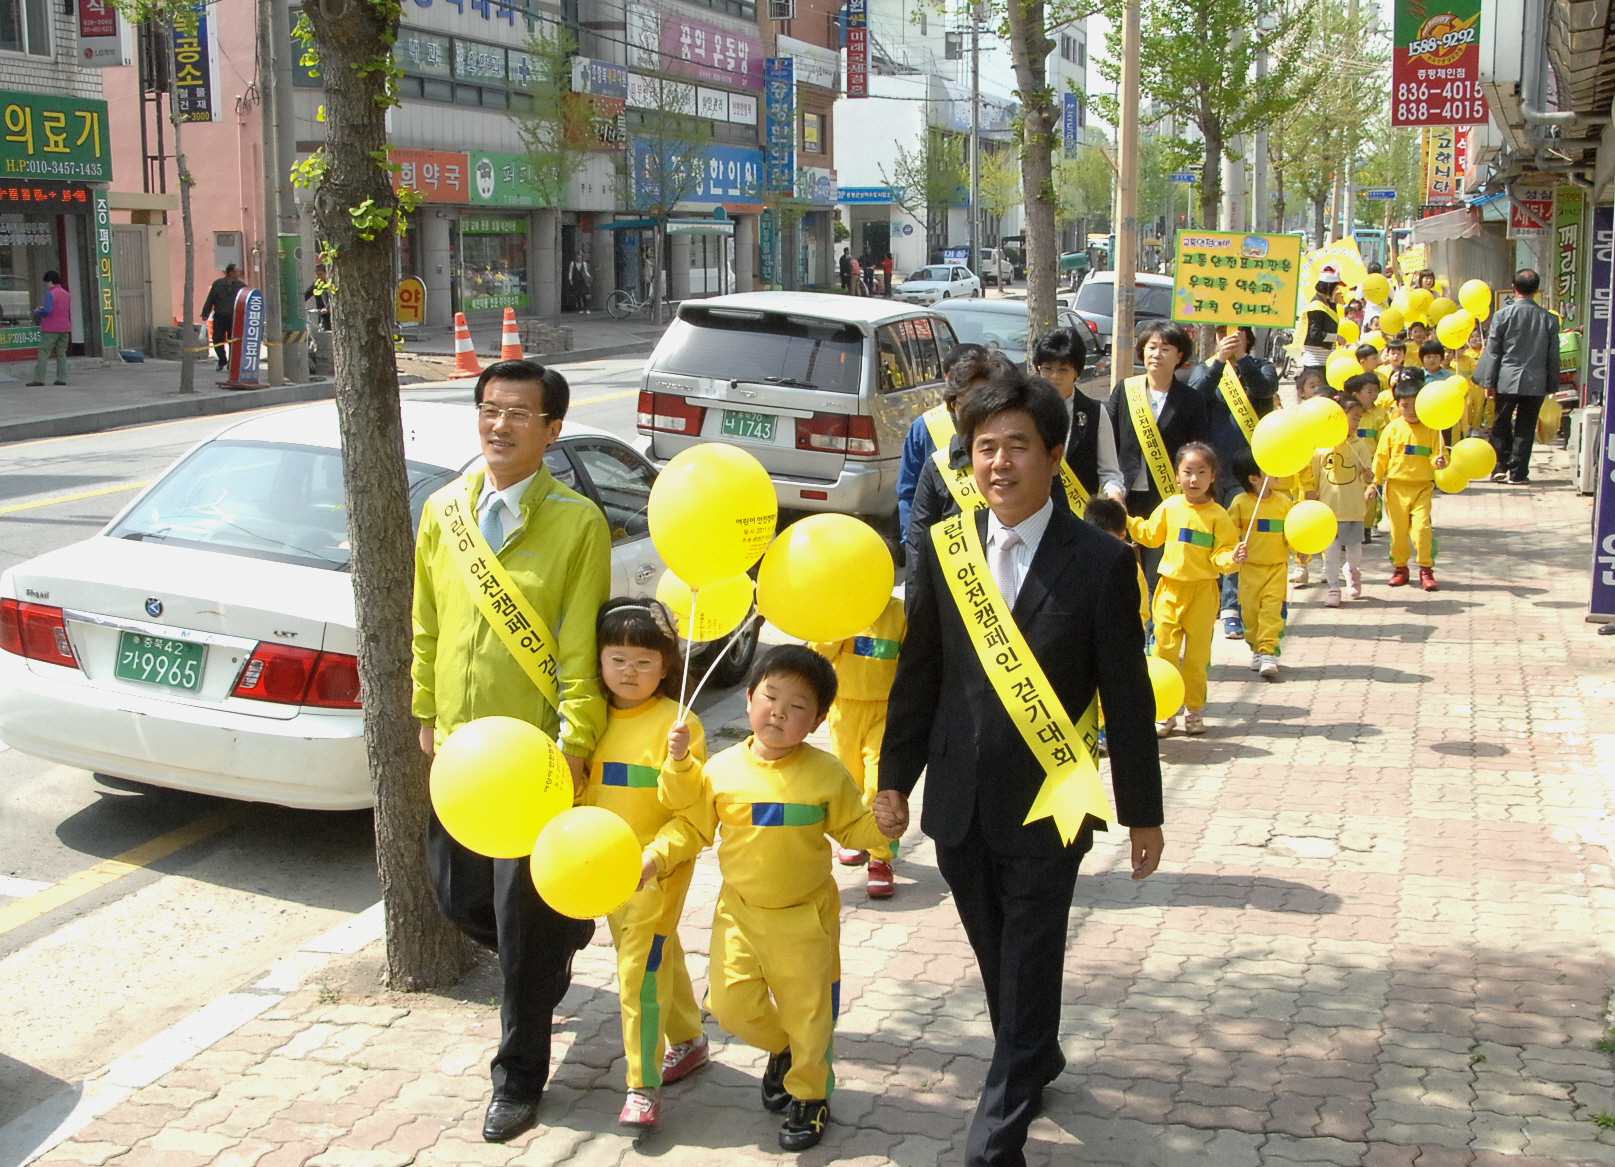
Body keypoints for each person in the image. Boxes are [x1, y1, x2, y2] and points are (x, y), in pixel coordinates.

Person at [877, 373, 1164, 1167]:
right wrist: (892, 776)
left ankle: (995, 1139)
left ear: (1053, 455)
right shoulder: (943, 549)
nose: (997, 463)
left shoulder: (1103, 561)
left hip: (1051, 802)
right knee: (998, 957)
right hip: (959, 802)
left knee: (1030, 960)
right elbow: (920, 670)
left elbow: (1127, 700)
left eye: (1015, 446)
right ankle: (1035, 1054)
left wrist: (1143, 811)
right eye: (983, 448)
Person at [412, 359, 611, 1143]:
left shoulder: (575, 523)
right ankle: (558, 942)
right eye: (490, 410)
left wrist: (576, 742)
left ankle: (518, 1077)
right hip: (460, 761)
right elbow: (426, 618)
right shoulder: (443, 509)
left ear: (551, 430)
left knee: (520, 937)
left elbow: (577, 646)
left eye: (518, 414)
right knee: (459, 901)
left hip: (531, 765)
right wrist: (425, 710)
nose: (499, 425)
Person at [643, 645, 899, 1152]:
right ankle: (784, 1049)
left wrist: (887, 827)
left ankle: (810, 1094)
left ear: (819, 720)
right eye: (770, 696)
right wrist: (653, 857)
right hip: (738, 912)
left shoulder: (826, 774)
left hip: (806, 918)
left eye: (798, 705)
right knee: (730, 1004)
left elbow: (856, 828)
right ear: (748, 699)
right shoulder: (720, 770)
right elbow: (690, 825)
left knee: (810, 1013)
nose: (779, 711)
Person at [583, 599, 709, 1129]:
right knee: (660, 949)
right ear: (599, 661)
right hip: (603, 866)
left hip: (656, 871)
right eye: (618, 659)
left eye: (644, 661)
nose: (630, 672)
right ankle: (689, 1039)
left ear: (667, 664)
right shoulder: (586, 718)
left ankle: (642, 1084)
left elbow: (695, 819)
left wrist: (654, 859)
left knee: (637, 972)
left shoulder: (678, 724)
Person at [1130, 443, 1239, 735]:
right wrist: (1125, 519)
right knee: (1163, 649)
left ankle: (1193, 710)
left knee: (1197, 656)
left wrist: (1233, 559)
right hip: (1168, 590)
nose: (1194, 479)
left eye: (1201, 472)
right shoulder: (1170, 507)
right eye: (1187, 472)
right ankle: (1165, 711)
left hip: (1203, 593)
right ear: (1177, 475)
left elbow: (1222, 555)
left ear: (1213, 476)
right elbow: (1150, 536)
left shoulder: (1219, 515)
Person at [1185, 324, 1279, 640]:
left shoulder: (1261, 366)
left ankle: (1232, 608)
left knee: (1240, 538)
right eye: (1223, 334)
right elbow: (1195, 395)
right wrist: (1220, 362)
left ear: (1248, 338)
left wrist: (1241, 361)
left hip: (1246, 468)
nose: (1229, 338)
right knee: (1211, 535)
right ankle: (1211, 600)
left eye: (1236, 334)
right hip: (1211, 469)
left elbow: (1265, 389)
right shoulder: (1206, 368)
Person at [811, 592, 907, 899]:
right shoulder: (841, 608)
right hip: (845, 709)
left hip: (886, 710)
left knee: (878, 783)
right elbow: (820, 652)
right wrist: (840, 623)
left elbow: (913, 660)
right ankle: (855, 835)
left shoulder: (900, 612)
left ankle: (881, 857)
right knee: (849, 781)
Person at [1106, 319, 1209, 598]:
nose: (1156, 354)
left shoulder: (1190, 400)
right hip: (1123, 493)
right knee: (1120, 568)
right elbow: (1108, 440)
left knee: (1157, 568)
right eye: (1151, 347)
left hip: (1166, 496)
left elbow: (1197, 449)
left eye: (1165, 348)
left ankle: (1153, 630)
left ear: (1179, 357)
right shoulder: (1126, 390)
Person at [1480, 269, 1561, 485]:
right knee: (1526, 426)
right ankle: (1518, 472)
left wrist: (1489, 382)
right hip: (1536, 381)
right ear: (1536, 290)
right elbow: (1553, 355)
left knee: (1501, 423)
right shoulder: (1550, 319)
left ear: (1513, 288)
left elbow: (1493, 352)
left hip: (1506, 379)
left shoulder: (1501, 316)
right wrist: (1553, 384)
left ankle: (1499, 466)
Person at [1373, 367, 1449, 592]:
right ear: (1397, 405)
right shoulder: (1392, 429)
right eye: (1404, 405)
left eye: (1415, 405)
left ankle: (1426, 569)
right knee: (1397, 532)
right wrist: (1374, 482)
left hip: (1422, 488)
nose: (1410, 410)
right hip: (1396, 487)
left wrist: (1440, 462)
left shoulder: (1432, 429)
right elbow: (1381, 457)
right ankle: (1400, 568)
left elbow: (1438, 454)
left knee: (1422, 528)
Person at [1033, 326, 1126, 503]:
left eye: (1063, 369)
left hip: (1079, 516)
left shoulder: (1095, 412)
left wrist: (1115, 497)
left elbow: (1109, 473)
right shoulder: (1026, 410)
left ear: (1077, 371)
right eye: (1047, 368)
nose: (1054, 376)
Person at [1226, 452, 1292, 679]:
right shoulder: (1240, 503)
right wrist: (1233, 551)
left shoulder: (1284, 502)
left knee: (1272, 610)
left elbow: (1294, 534)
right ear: (1253, 478)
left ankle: (1268, 651)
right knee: (1251, 612)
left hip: (1277, 567)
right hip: (1250, 570)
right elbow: (1229, 533)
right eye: (1267, 467)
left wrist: (1302, 552)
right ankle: (1255, 647)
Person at [1309, 395, 1375, 606]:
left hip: (1353, 509)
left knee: (1355, 550)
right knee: (1332, 551)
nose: (1355, 423)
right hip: (1329, 511)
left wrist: (1369, 479)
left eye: (1358, 419)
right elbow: (1314, 477)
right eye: (1352, 418)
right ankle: (1333, 586)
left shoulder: (1360, 445)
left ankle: (1352, 571)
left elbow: (1367, 474)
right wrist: (1312, 497)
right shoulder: (1321, 447)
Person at [28, 271, 71, 387]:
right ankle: (61, 378)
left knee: (44, 353)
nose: (46, 285)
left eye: (47, 282)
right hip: (65, 328)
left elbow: (47, 311)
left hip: (50, 329)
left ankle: (38, 379)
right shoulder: (66, 294)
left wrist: (38, 311)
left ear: (50, 281)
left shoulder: (50, 294)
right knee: (61, 354)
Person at [201, 263, 246, 372]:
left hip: (234, 318)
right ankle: (222, 359)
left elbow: (246, 301)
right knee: (217, 339)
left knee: (233, 341)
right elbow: (210, 299)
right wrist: (205, 313)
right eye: (237, 272)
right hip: (220, 317)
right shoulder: (218, 284)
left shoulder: (241, 286)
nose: (239, 274)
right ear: (230, 273)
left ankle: (232, 362)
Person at [1300, 272, 1343, 373]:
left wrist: (1333, 304)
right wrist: (1337, 337)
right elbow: (1315, 334)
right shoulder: (1317, 306)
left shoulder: (1326, 304)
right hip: (1315, 362)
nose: (1336, 291)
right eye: (1335, 288)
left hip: (1325, 361)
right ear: (1329, 286)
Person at [301, 263, 331, 332]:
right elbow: (307, 294)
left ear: (326, 273)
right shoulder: (316, 284)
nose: (319, 277)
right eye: (318, 275)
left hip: (330, 314)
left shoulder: (330, 284)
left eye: (321, 274)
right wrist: (300, 303)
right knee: (322, 330)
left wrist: (328, 308)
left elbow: (333, 299)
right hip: (321, 313)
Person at [568, 250, 592, 314]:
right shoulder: (572, 263)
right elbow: (570, 272)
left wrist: (589, 277)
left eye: (580, 255)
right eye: (578, 255)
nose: (579, 257)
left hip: (582, 280)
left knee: (584, 294)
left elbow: (586, 271)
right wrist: (570, 279)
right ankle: (580, 308)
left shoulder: (584, 264)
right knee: (578, 295)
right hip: (576, 280)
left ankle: (586, 308)